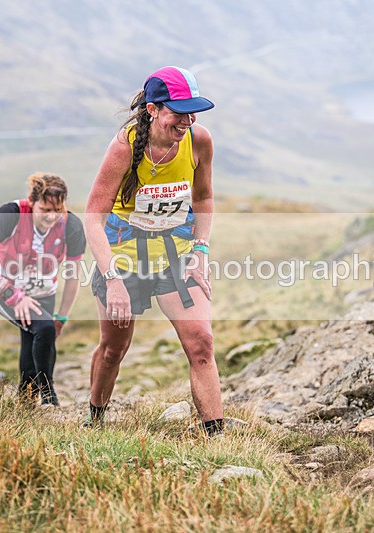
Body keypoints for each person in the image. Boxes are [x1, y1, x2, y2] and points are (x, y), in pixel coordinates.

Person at [84, 66, 224, 436]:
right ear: (153, 109)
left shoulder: (199, 140)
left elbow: (204, 197)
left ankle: (217, 436)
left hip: (176, 255)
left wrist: (201, 250)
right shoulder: (125, 147)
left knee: (202, 343)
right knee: (114, 349)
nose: (188, 120)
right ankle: (95, 417)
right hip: (123, 259)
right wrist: (112, 280)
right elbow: (93, 218)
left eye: (193, 111)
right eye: (179, 112)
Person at [0, 172, 86, 406]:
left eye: (57, 210)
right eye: (44, 210)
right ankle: (49, 395)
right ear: (32, 203)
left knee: (36, 335)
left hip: (44, 293)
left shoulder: (72, 226)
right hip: (4, 290)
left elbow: (73, 277)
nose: (51, 217)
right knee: (42, 328)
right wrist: (13, 296)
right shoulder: (10, 215)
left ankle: (25, 400)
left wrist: (62, 316)